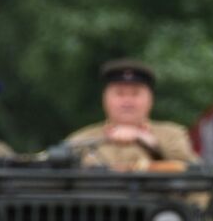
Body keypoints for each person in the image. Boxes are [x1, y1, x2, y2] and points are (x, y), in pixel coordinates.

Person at [66, 59, 197, 170]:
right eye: (119, 94)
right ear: (105, 99)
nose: (127, 101)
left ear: (150, 99)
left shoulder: (172, 136)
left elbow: (195, 174)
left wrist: (151, 144)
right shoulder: (80, 141)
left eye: (135, 94)